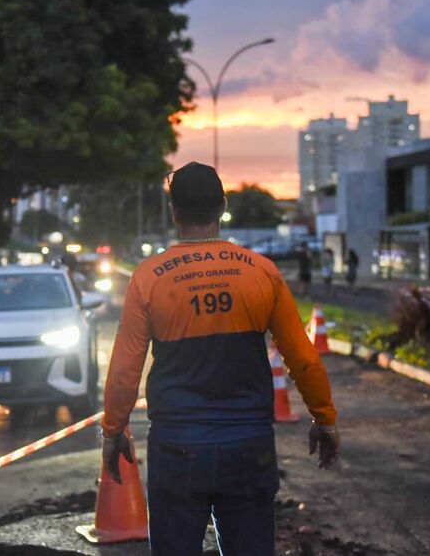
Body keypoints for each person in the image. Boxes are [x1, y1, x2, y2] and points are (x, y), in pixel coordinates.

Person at [100, 162, 340, 556]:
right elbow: (304, 359)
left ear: (174, 211)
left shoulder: (149, 278)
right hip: (249, 448)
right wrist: (325, 419)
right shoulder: (262, 273)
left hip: (177, 450)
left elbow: (125, 370)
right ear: (222, 207)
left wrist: (113, 431)